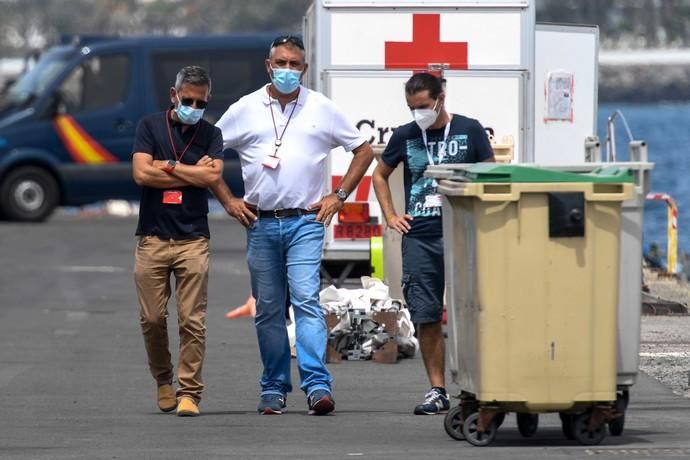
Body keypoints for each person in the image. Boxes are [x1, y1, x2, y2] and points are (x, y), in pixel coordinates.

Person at [212, 35, 373, 415]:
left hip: (306, 221)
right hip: (262, 223)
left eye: (294, 64)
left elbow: (363, 150)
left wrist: (339, 195)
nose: (287, 70)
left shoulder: (321, 107)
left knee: (305, 300)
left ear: (304, 67)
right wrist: (228, 200)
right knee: (268, 307)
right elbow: (208, 152)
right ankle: (273, 387)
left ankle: (318, 386)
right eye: (280, 63)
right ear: (269, 66)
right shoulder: (244, 108)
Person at [372, 72, 495, 415]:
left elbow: (492, 174)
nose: (418, 113)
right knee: (426, 314)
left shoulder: (470, 130)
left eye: (424, 106)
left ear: (441, 97)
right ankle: (437, 390)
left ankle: (482, 384)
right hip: (420, 236)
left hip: (464, 233)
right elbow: (379, 175)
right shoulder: (405, 135)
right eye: (412, 107)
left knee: (477, 310)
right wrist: (391, 215)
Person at [132, 65, 224, 417]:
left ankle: (190, 392)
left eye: (199, 102)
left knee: (192, 320)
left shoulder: (211, 134)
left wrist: (167, 166)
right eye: (187, 99)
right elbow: (141, 173)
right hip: (153, 237)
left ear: (207, 100)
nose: (192, 106)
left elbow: (212, 176)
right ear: (174, 96)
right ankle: (163, 380)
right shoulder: (149, 126)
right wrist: (191, 173)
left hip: (193, 239)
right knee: (153, 318)